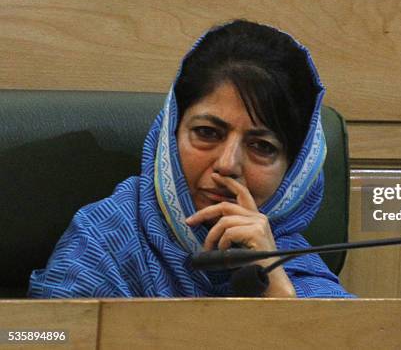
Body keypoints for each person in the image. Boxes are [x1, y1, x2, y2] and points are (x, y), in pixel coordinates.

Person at [28, 20, 353, 298]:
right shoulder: (103, 244)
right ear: (172, 133)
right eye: (208, 133)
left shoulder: (300, 270)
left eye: (262, 147)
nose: (227, 164)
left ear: (294, 172)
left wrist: (273, 283)